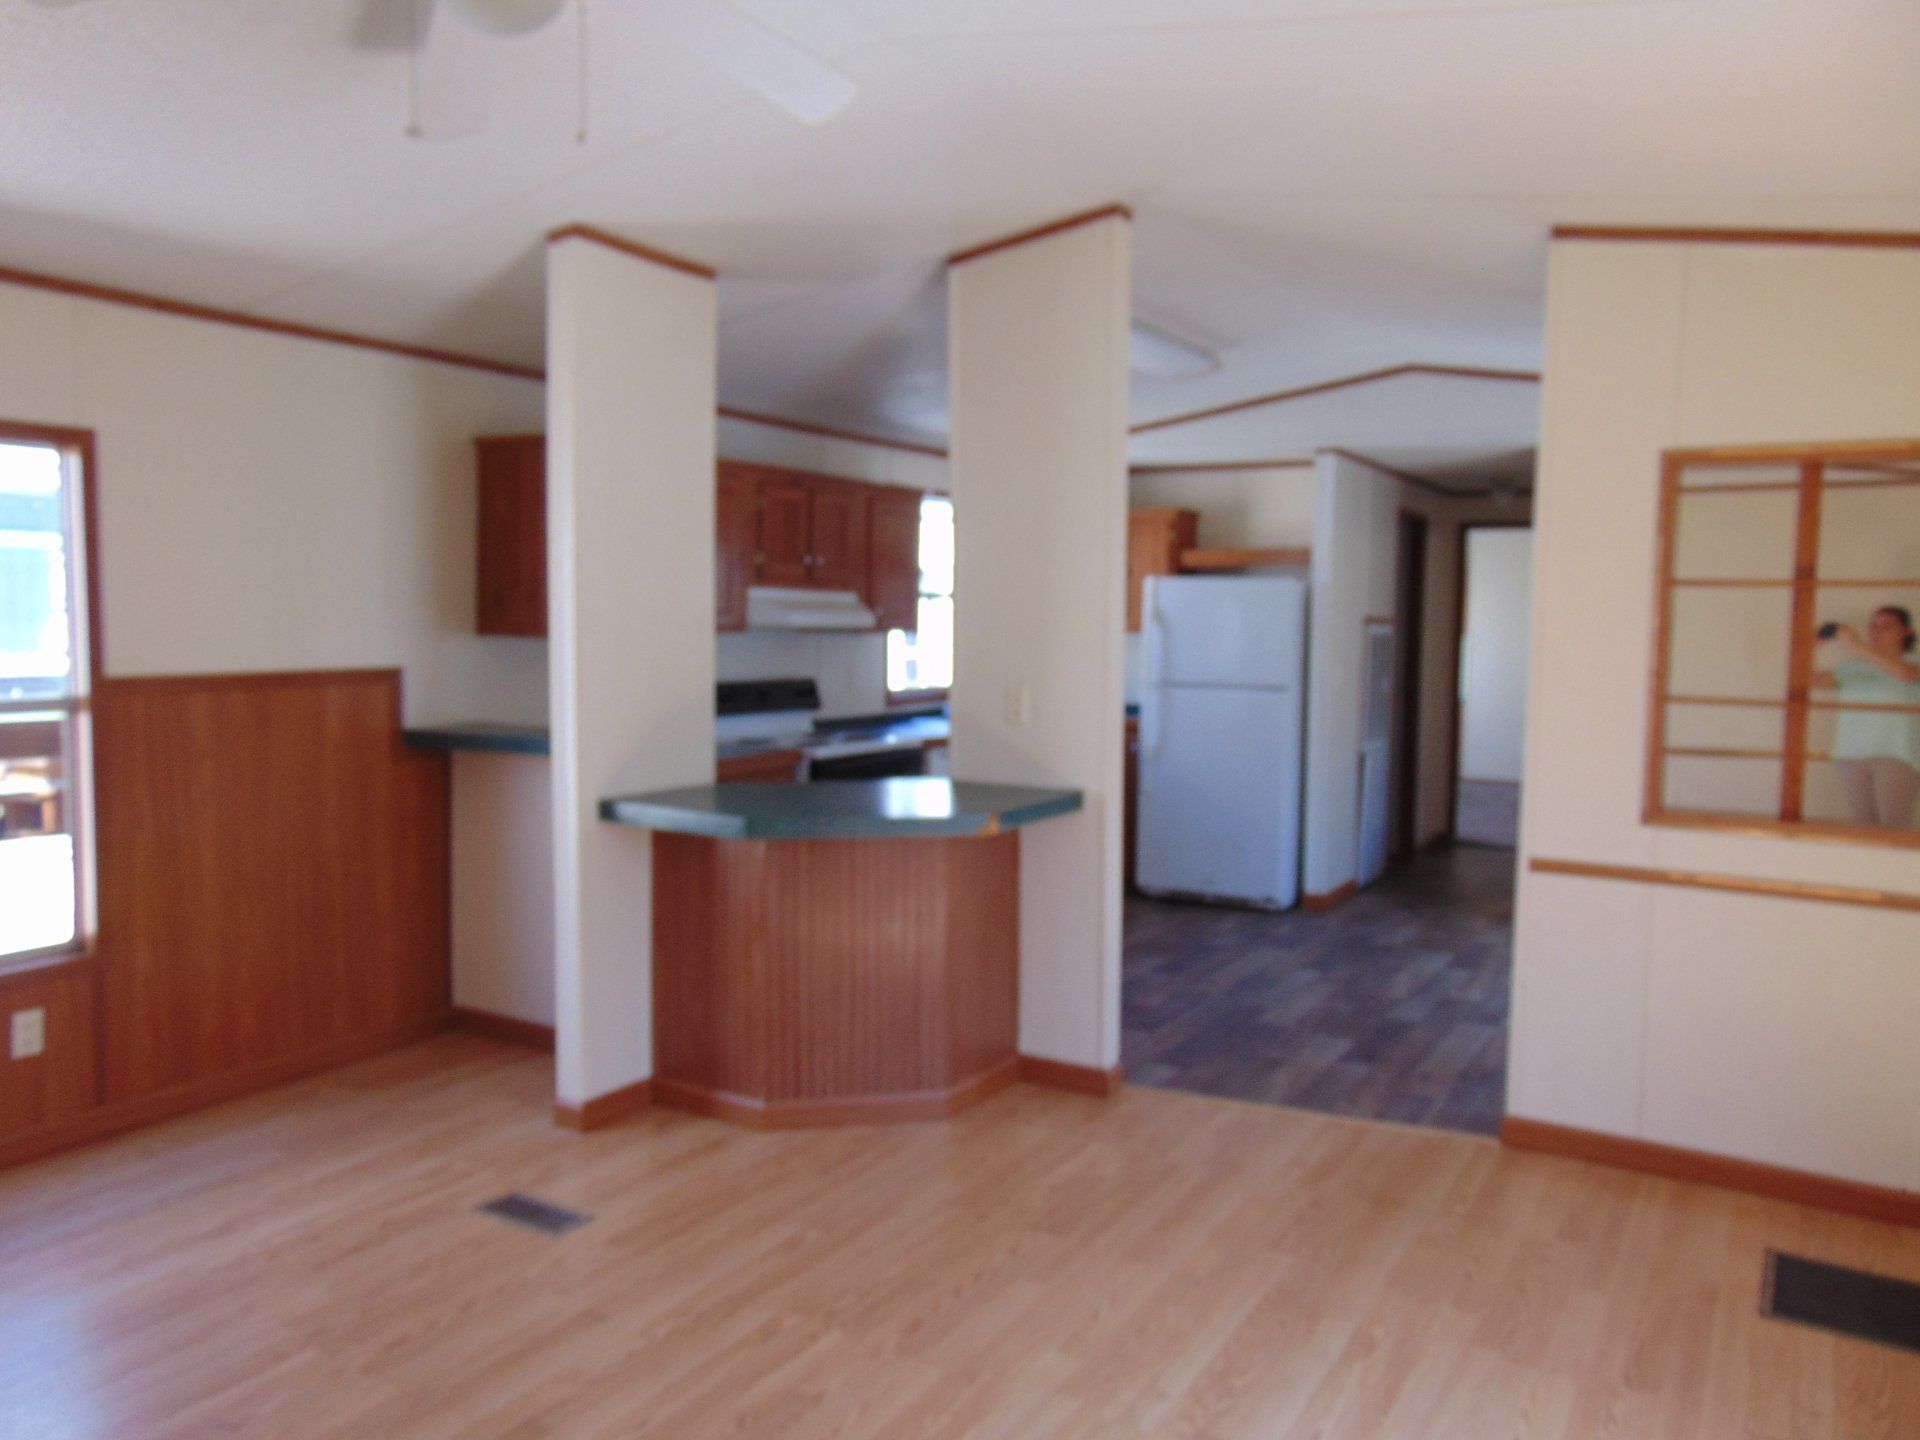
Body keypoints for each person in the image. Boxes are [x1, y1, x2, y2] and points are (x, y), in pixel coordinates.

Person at [1814, 605, 1920, 828]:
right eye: (1873, 626)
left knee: (1894, 830)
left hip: (1897, 755)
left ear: (1906, 632)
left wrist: (1856, 645)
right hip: (1852, 754)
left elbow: (1905, 675)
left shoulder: (1913, 661)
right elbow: (1811, 682)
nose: (1876, 631)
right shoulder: (1854, 666)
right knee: (1863, 831)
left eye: (1886, 627)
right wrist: (1811, 646)